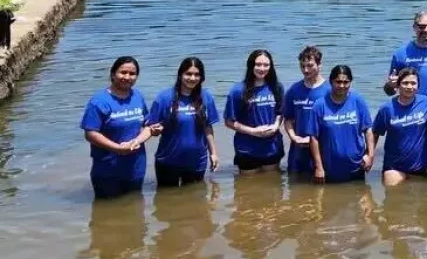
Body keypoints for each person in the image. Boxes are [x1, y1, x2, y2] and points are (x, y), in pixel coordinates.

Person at [80, 56, 159, 199]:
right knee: (107, 216)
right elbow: (90, 133)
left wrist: (141, 139)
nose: (127, 77)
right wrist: (117, 148)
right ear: (112, 74)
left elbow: (147, 125)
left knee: (135, 211)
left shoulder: (137, 96)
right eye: (123, 72)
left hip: (136, 168)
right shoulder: (99, 101)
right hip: (108, 169)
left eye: (132, 74)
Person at [148, 57, 220, 187]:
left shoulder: (206, 97)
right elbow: (150, 128)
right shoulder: (164, 97)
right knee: (167, 203)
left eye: (197, 74)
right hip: (168, 161)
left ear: (202, 77)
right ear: (180, 74)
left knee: (195, 201)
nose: (192, 78)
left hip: (197, 161)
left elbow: (208, 127)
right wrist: (154, 131)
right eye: (188, 74)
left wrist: (213, 153)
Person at [306, 65, 375, 183]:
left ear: (350, 82)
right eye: (338, 82)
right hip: (329, 169)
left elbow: (368, 129)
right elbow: (314, 138)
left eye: (346, 82)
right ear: (331, 82)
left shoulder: (358, 100)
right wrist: (319, 167)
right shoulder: (320, 105)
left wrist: (370, 155)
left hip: (357, 167)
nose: (342, 86)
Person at [224, 49, 285, 174]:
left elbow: (281, 112)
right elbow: (229, 121)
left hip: (272, 146)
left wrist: (276, 126)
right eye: (258, 64)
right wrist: (253, 132)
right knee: (248, 189)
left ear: (271, 66)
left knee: (272, 185)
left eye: (266, 65)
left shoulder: (277, 87)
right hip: (247, 149)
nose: (262, 68)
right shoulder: (237, 90)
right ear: (250, 65)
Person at [373, 67, 427, 185]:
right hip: (394, 166)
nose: (409, 86)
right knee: (392, 196)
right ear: (398, 85)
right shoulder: (387, 108)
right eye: (405, 83)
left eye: (413, 83)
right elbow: (375, 133)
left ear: (418, 86)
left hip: (421, 165)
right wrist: (370, 155)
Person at [283, 46, 330, 179]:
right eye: (302, 66)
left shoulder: (329, 90)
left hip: (323, 152)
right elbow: (288, 119)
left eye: (310, 65)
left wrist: (314, 139)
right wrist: (294, 137)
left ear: (319, 64)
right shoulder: (294, 90)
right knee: (296, 194)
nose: (305, 70)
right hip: (298, 152)